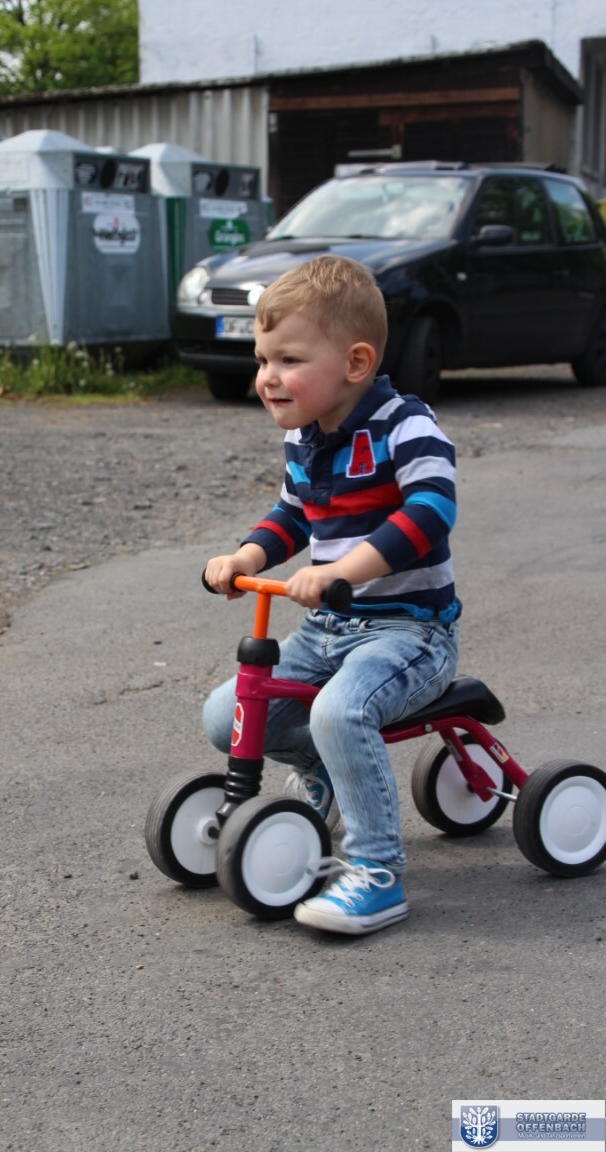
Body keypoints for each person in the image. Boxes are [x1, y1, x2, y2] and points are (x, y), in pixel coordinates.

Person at [202, 254, 460, 936]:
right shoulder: (303, 437)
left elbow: (432, 510)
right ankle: (326, 780)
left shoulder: (406, 425)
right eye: (262, 359)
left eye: (288, 360)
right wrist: (247, 556)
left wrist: (347, 568)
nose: (267, 376)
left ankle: (377, 873)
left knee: (340, 712)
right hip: (329, 630)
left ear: (355, 363)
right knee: (227, 714)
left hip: (410, 632)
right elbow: (293, 514)